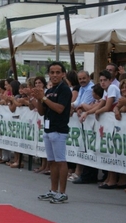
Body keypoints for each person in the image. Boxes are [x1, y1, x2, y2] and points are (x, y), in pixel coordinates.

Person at [32, 62, 72, 204]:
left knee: (61, 161)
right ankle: (53, 190)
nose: (54, 75)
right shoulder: (49, 91)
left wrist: (43, 98)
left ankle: (62, 192)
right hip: (48, 129)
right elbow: (42, 111)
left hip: (59, 129)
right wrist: (38, 99)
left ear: (63, 74)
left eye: (57, 72)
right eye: (52, 72)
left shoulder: (65, 90)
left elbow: (60, 108)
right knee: (52, 161)